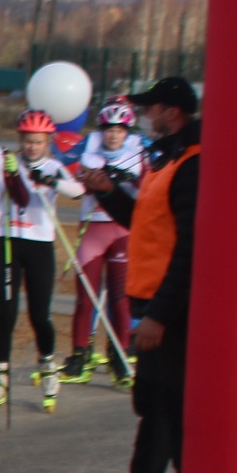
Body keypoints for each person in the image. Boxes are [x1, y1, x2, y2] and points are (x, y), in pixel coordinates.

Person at [82, 76, 202, 473]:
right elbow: (145, 224)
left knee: (174, 407)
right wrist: (109, 192)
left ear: (171, 112)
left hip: (173, 308)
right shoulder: (164, 158)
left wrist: (161, 314)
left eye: (149, 107)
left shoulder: (192, 164)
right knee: (151, 402)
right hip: (152, 297)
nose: (144, 116)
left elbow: (190, 247)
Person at [0, 109, 75, 414]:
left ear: (48, 141)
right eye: (28, 141)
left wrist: (50, 180)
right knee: (6, 313)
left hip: (39, 245)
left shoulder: (53, 166)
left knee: (40, 314)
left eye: (38, 141)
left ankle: (48, 365)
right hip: (10, 242)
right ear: (21, 139)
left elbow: (78, 191)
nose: (33, 147)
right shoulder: (9, 162)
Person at [67, 99, 143, 383]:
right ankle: (79, 356)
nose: (114, 134)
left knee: (121, 300)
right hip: (93, 229)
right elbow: (76, 176)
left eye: (119, 130)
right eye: (109, 129)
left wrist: (126, 177)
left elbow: (144, 182)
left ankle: (121, 358)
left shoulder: (138, 150)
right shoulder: (89, 148)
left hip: (122, 232)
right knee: (85, 298)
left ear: (127, 131)